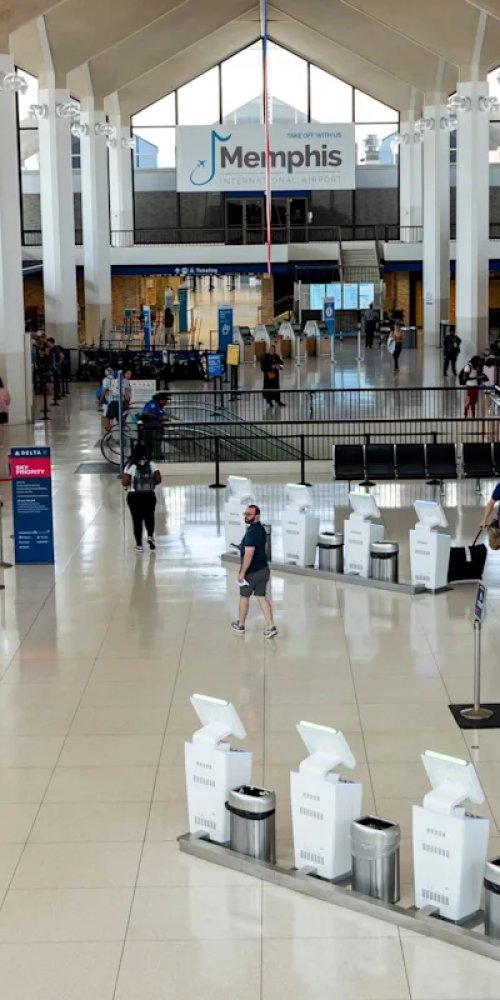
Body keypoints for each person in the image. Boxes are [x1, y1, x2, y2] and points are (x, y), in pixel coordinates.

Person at [231, 504, 278, 639]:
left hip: (251, 572)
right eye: (245, 514)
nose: (246, 517)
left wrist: (242, 573)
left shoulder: (251, 533)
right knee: (261, 597)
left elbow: (249, 555)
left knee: (244, 597)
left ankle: (240, 625)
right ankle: (271, 626)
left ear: (257, 515)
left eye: (249, 514)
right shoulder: (260, 529)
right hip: (263, 569)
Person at [122, 444, 162, 553]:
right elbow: (158, 479)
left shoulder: (130, 465)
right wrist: (149, 483)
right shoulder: (151, 464)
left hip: (134, 496)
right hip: (149, 495)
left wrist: (129, 485)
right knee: (149, 516)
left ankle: (139, 545)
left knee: (137, 520)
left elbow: (124, 482)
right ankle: (149, 536)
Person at [141, 391, 170, 459]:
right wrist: (159, 418)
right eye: (165, 400)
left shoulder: (159, 407)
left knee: (157, 443)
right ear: (160, 400)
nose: (166, 402)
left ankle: (156, 455)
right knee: (150, 444)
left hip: (157, 428)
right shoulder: (152, 404)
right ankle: (151, 457)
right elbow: (146, 413)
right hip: (151, 428)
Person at [261, 344, 284, 408]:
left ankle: (278, 401)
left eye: (273, 350)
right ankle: (269, 401)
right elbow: (263, 367)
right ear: (269, 350)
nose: (272, 351)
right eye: (271, 350)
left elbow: (282, 366)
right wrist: (270, 368)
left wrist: (276, 366)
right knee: (268, 389)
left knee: (276, 389)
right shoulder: (265, 357)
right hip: (268, 378)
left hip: (275, 378)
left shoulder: (276, 356)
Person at [0, 378, 11, 448]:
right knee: (1, 428)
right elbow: (8, 401)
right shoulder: (4, 390)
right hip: (3, 411)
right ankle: (0, 443)